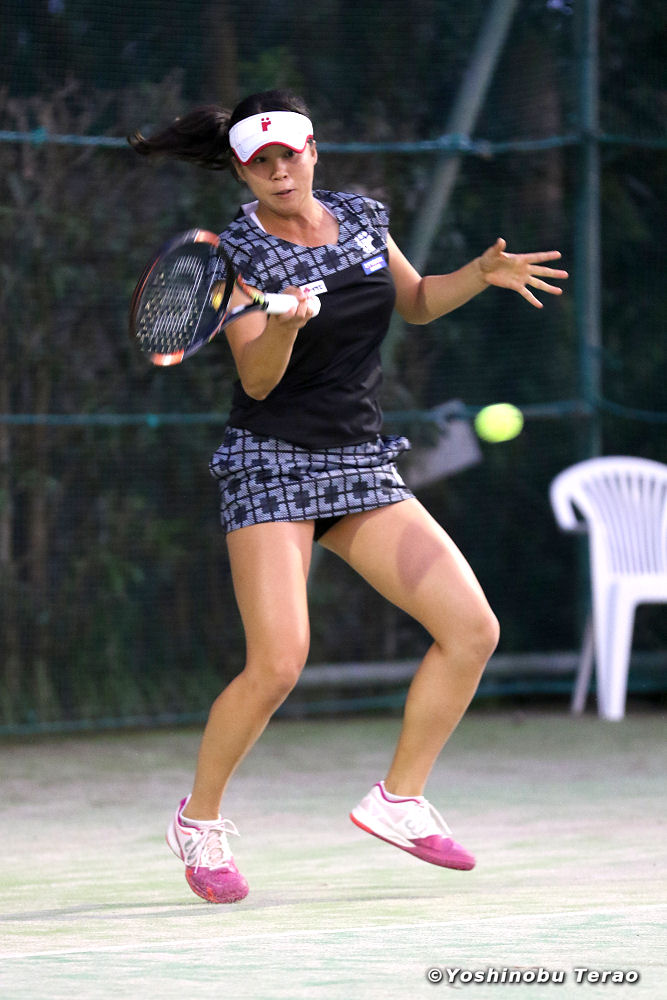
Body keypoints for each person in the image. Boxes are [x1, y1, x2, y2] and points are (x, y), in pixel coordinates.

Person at [130, 89, 568, 904]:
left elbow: (415, 300)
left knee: (471, 629)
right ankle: (199, 820)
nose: (278, 171)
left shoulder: (363, 217)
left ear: (312, 150)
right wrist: (283, 325)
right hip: (271, 462)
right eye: (260, 161)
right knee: (277, 663)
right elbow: (258, 381)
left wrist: (478, 275)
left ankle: (397, 800)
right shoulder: (234, 255)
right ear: (241, 170)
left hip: (360, 461)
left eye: (288, 154)